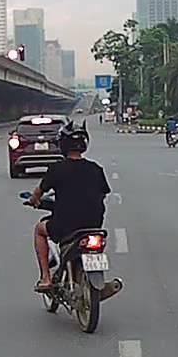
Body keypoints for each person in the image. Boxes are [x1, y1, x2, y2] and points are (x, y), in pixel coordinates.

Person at [27, 121, 121, 299]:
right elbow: (102, 194)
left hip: (66, 226)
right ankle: (96, 284)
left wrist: (33, 200)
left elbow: (38, 192)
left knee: (39, 230)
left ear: (62, 144)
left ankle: (46, 278)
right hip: (93, 226)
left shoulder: (57, 169)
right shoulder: (96, 169)